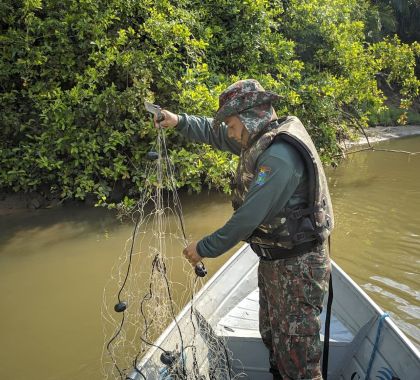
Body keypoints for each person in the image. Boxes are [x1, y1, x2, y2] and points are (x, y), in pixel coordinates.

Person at [154, 79, 334, 380]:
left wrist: (203, 248)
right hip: (275, 262)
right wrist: (178, 121)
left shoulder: (279, 158)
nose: (228, 129)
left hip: (298, 267)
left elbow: (247, 219)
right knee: (275, 339)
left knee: (297, 354)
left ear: (249, 117)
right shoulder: (258, 136)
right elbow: (214, 135)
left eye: (230, 122)